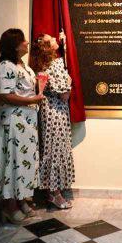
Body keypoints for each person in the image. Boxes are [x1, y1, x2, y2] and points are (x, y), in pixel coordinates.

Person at [0, 28, 43, 224]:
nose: (27, 43)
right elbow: (5, 95)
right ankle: (10, 206)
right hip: (15, 122)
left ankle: (22, 199)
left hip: (28, 122)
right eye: (23, 41)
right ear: (15, 45)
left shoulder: (22, 64)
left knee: (25, 161)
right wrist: (33, 98)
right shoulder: (6, 65)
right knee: (13, 161)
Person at [30, 33, 75, 210]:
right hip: (56, 113)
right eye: (52, 40)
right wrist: (69, 81)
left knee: (50, 149)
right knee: (56, 150)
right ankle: (55, 194)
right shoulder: (55, 65)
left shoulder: (44, 65)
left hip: (48, 112)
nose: (57, 39)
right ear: (47, 47)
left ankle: (51, 192)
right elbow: (64, 94)